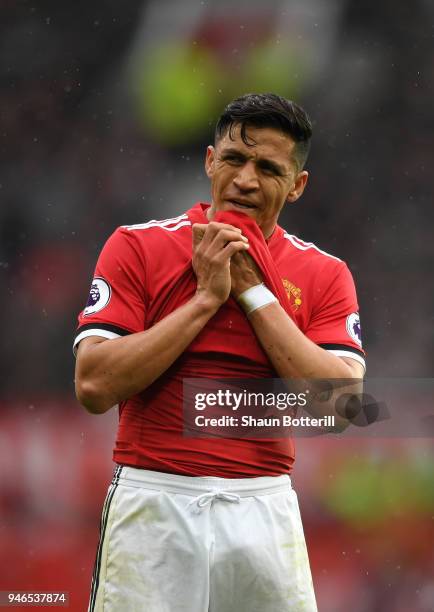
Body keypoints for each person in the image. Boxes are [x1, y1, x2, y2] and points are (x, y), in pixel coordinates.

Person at [74, 93, 365, 612]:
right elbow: (93, 386)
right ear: (210, 161)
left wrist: (253, 292)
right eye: (234, 159)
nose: (246, 180)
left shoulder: (325, 273)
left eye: (268, 168)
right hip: (155, 501)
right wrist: (206, 299)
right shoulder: (138, 246)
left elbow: (340, 408)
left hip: (264, 503)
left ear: (296, 186)